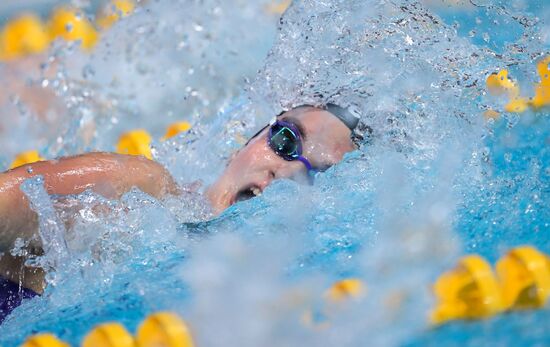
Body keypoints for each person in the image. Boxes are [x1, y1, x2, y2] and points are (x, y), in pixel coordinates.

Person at [0, 103, 364, 322]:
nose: (282, 173)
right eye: (286, 141)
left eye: (312, 175)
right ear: (248, 142)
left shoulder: (273, 303)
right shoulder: (140, 194)